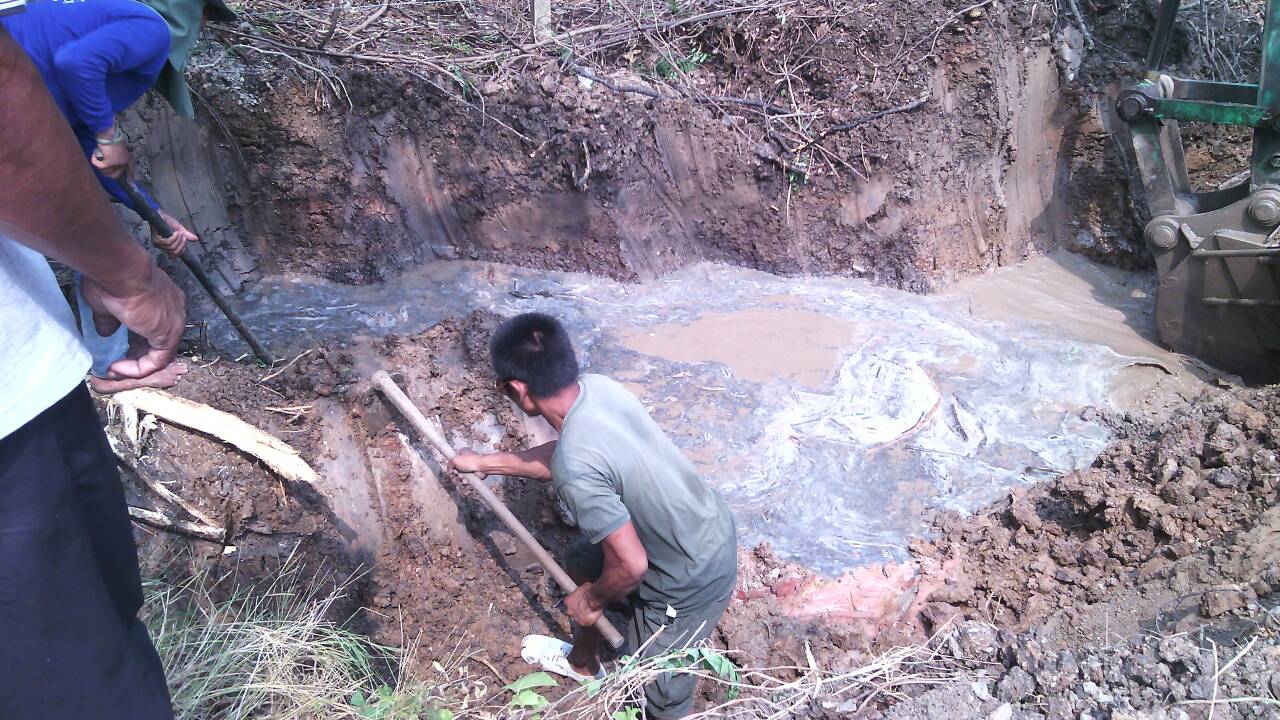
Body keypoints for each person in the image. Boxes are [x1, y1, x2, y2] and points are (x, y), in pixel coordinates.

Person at [0, 19, 185, 720]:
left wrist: (152, 213)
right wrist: (131, 273)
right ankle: (114, 365)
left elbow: (60, 156)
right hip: (9, 430)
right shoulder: (145, 27)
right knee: (79, 674)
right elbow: (35, 115)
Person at [452, 313, 738, 719]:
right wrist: (484, 462)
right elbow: (567, 455)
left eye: (504, 389)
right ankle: (584, 665)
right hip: (700, 523)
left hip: (693, 576)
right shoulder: (599, 389)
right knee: (583, 561)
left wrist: (592, 598)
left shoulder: (577, 462)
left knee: (657, 688)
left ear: (519, 388)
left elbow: (632, 563)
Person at [1, 0, 203, 392]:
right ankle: (103, 369)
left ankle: (105, 369)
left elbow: (84, 154)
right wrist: (110, 135)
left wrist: (154, 213)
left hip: (15, 136)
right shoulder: (150, 27)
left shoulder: (92, 29)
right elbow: (77, 63)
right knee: (104, 257)